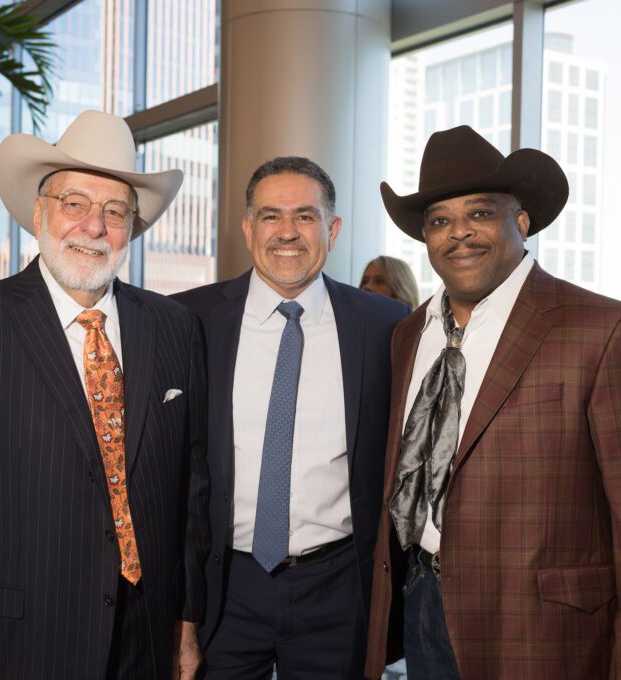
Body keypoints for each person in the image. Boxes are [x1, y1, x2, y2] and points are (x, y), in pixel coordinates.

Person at [364, 126, 621, 679]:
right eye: (440, 221)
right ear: (425, 238)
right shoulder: (408, 333)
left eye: (480, 214)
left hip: (543, 629)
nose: (458, 233)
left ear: (520, 221)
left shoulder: (604, 329)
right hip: (422, 601)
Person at [0, 110, 209, 680]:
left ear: (132, 228)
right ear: (40, 212)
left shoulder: (175, 327)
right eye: (75, 204)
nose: (94, 226)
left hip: (147, 633)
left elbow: (189, 491)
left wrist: (186, 622)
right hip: (15, 641)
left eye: (115, 211)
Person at [172, 156, 408, 679]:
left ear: (333, 229)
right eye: (270, 216)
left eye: (305, 216)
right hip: (224, 584)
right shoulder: (188, 320)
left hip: (339, 586)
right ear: (247, 227)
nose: (287, 232)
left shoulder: (387, 326)